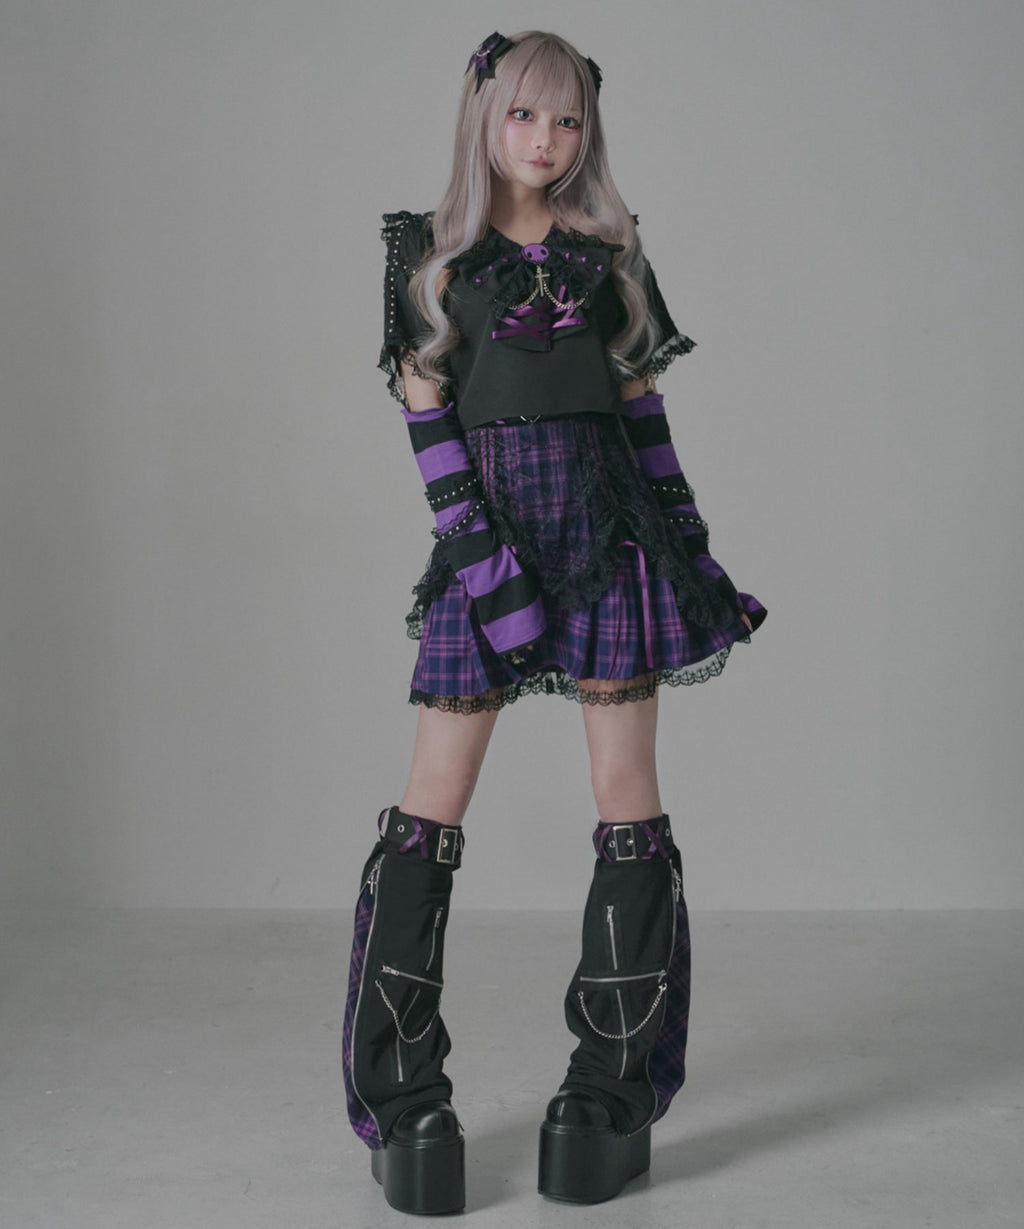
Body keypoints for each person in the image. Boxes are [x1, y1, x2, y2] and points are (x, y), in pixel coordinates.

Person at [341, 30, 765, 1214]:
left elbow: (645, 425)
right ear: (483, 118)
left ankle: (608, 1092)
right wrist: (490, 576)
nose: (546, 139)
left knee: (628, 799)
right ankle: (403, 1096)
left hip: (613, 538)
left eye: (568, 119)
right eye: (525, 115)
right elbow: (429, 432)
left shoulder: (610, 255)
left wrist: (690, 554)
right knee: (431, 804)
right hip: (490, 547)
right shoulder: (428, 259)